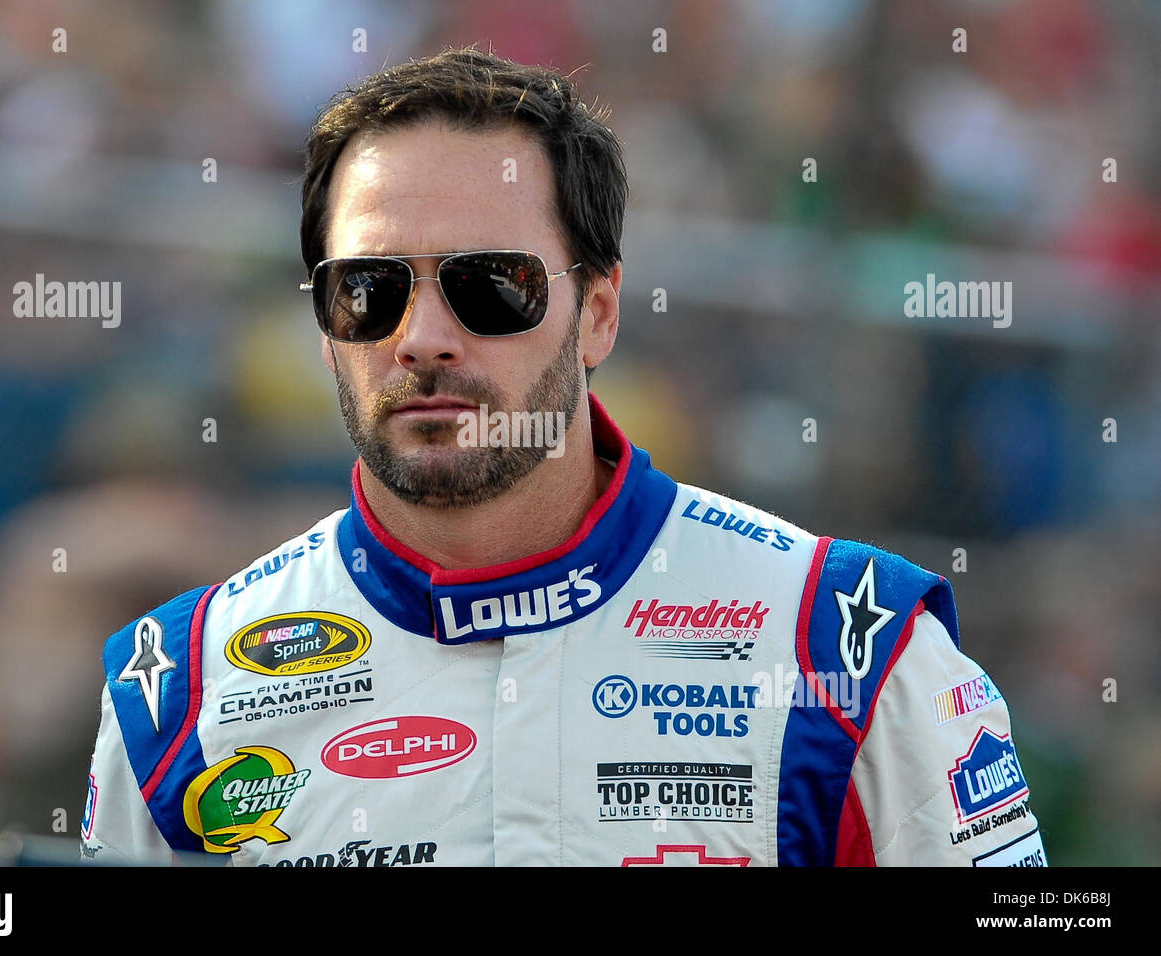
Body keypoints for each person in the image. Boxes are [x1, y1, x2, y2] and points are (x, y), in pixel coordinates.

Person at [82, 47, 1045, 867]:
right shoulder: (177, 693)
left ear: (599, 313)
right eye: (369, 288)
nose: (422, 338)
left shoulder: (847, 644)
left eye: (490, 286)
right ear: (326, 325)